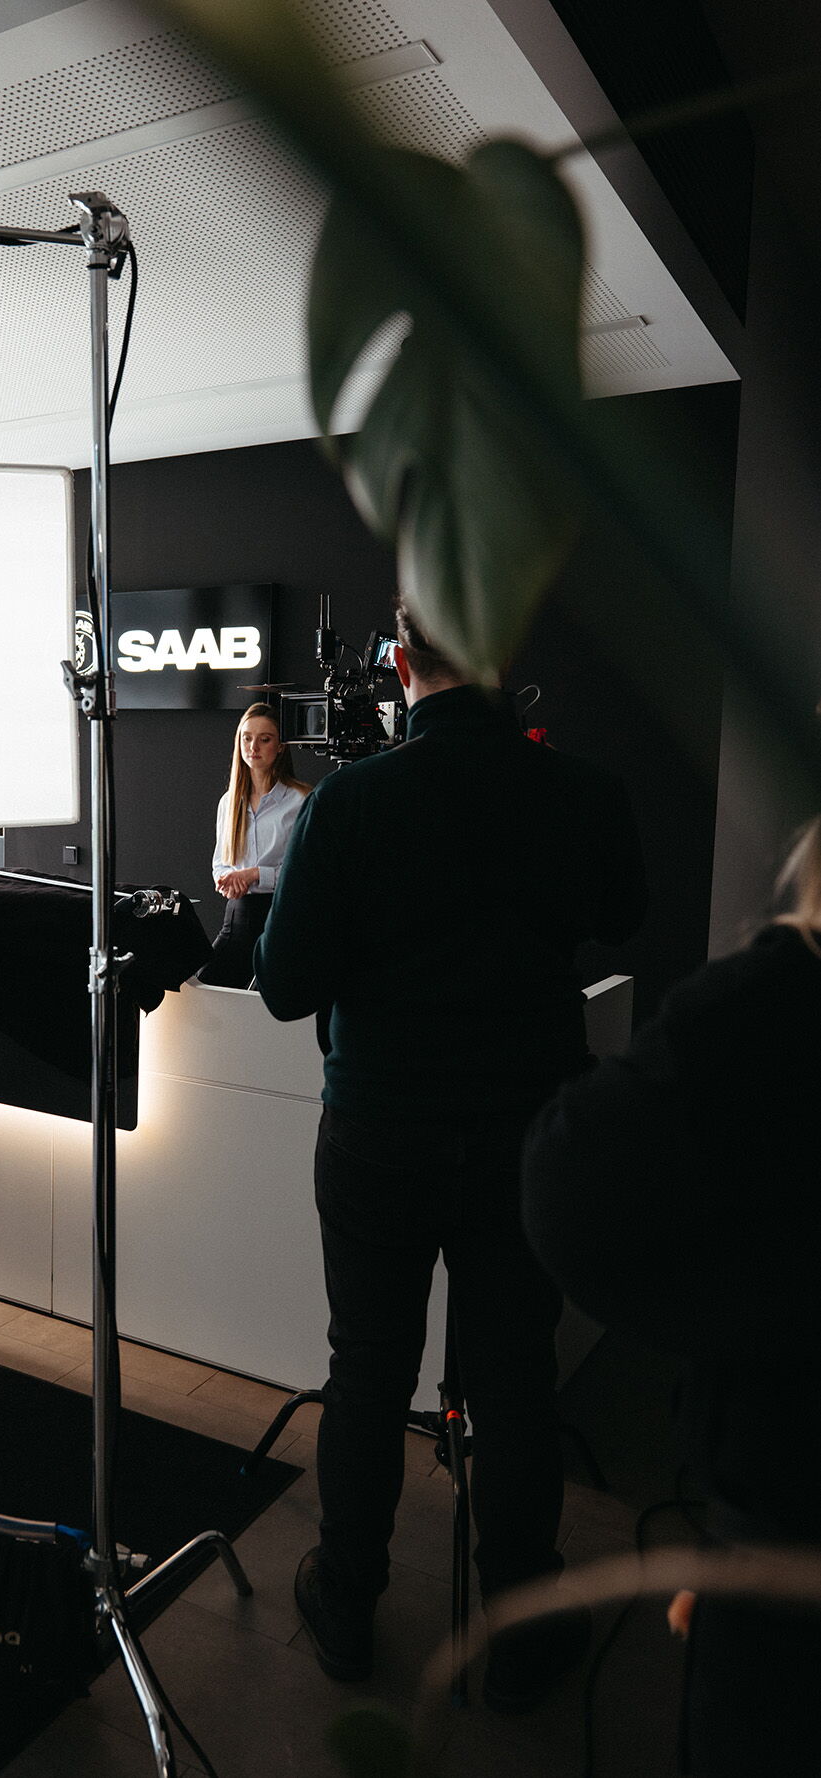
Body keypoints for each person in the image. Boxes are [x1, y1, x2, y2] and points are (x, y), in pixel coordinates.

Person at [253, 598, 646, 1704]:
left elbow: (284, 989)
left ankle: (347, 1601)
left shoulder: (353, 802)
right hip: (527, 1134)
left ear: (398, 648)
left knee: (367, 1371)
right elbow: (624, 910)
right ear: (507, 652)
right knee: (515, 1380)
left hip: (379, 1130)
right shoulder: (580, 791)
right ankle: (521, 1633)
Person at [521, 816, 821, 1775]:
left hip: (783, 1558)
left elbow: (569, 1186)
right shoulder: (570, 796)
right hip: (772, 1534)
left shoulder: (780, 999)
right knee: (508, 1382)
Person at [196, 702, 310, 989]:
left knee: (269, 1009)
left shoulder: (301, 800)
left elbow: (307, 872)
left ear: (281, 746)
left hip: (284, 919)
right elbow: (220, 863)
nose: (253, 747)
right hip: (238, 917)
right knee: (206, 991)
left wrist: (255, 874)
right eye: (247, 738)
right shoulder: (229, 802)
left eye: (265, 739)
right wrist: (227, 880)